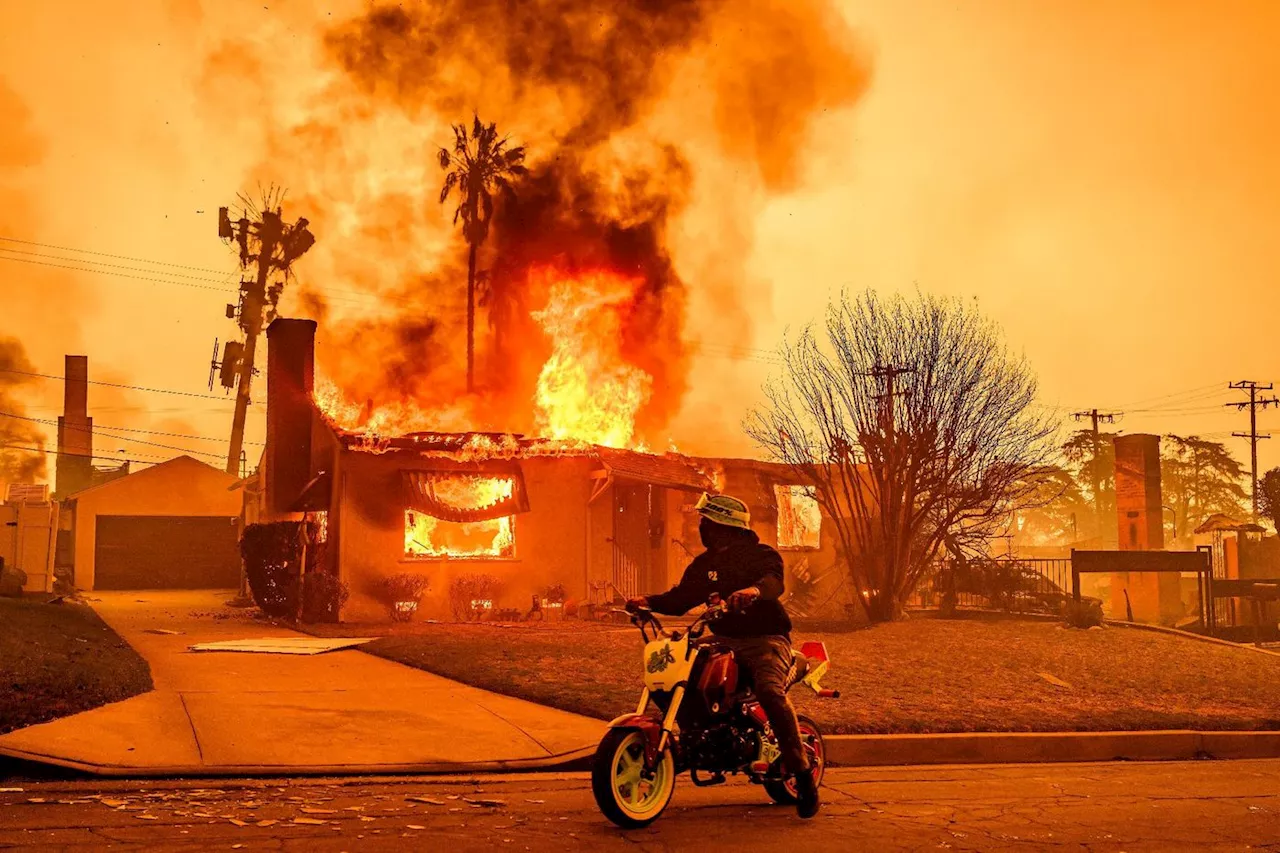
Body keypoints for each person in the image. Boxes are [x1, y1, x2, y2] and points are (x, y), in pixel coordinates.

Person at [627, 492, 820, 819]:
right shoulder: (704, 565)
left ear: (724, 526)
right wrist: (647, 601)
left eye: (707, 522)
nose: (701, 527)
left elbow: (774, 582)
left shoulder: (761, 555)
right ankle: (699, 737)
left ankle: (802, 774)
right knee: (683, 675)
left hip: (765, 639)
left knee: (771, 693)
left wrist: (753, 591)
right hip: (723, 638)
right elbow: (680, 599)